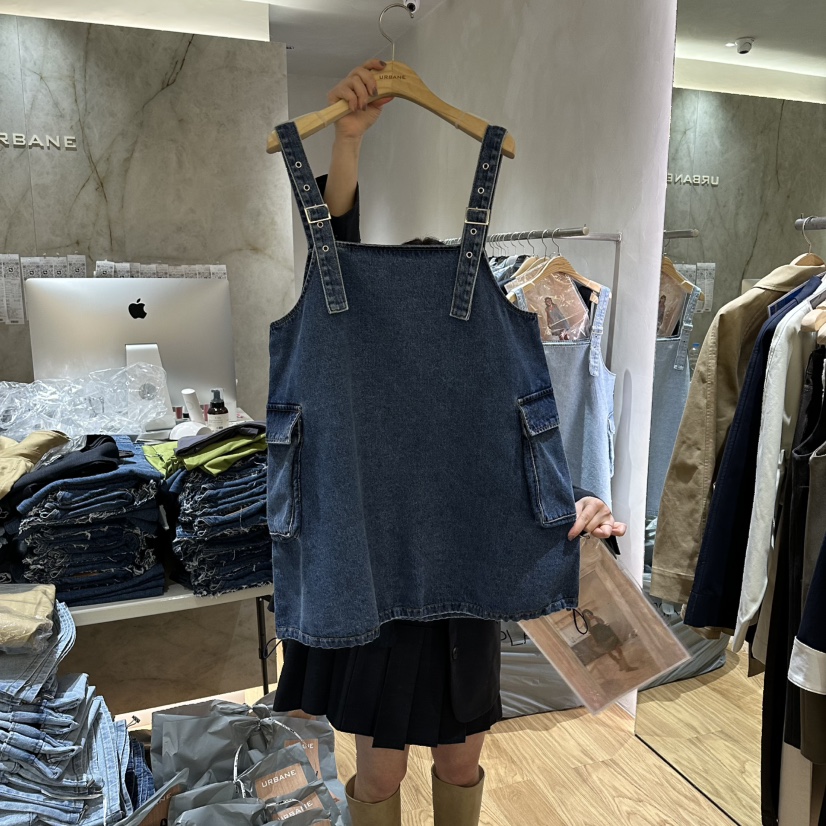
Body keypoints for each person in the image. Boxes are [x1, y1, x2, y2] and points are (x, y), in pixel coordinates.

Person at [273, 61, 628, 826]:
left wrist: (576, 507)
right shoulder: (348, 324)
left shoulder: (483, 341)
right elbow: (331, 251)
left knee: (462, 758)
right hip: (369, 570)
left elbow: (519, 439)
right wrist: (348, 143)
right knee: (379, 769)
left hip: (463, 569)